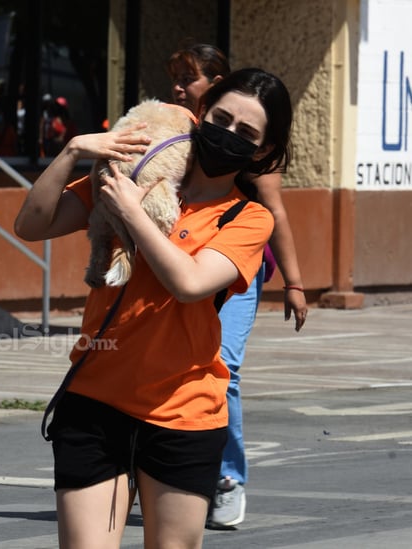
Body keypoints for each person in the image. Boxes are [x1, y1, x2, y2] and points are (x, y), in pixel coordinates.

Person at [14, 67, 293, 548]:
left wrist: (130, 213)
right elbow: (32, 225)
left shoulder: (249, 217)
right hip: (95, 403)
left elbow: (188, 282)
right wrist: (74, 151)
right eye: (222, 118)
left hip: (183, 415)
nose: (228, 135)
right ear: (203, 113)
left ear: (264, 150)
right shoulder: (135, 172)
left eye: (246, 133)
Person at [167, 43, 308, 528]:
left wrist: (295, 283)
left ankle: (228, 479)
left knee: (221, 366)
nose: (180, 87)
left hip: (236, 269)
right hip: (176, 259)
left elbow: (278, 214)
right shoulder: (172, 131)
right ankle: (159, 467)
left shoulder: (247, 146)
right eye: (177, 78)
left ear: (218, 84)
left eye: (190, 78)